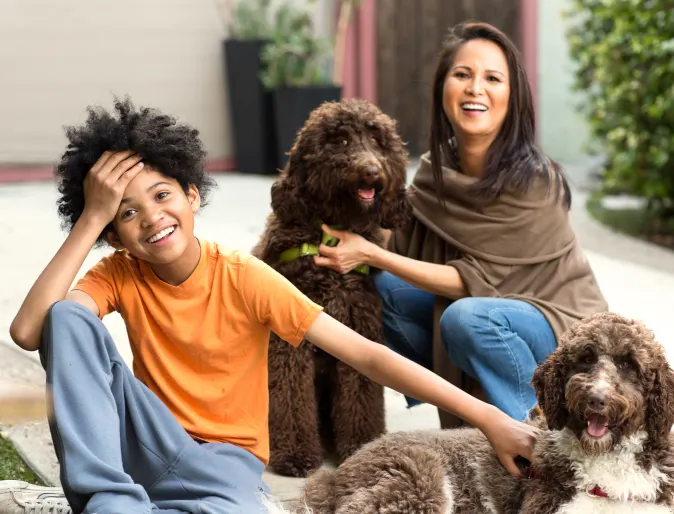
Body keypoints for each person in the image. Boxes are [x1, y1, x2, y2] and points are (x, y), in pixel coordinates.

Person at [0, 97, 538, 514]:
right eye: (125, 212)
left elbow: (369, 356)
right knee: (67, 316)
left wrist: (491, 418)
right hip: (143, 447)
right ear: (114, 234)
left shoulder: (243, 276)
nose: (150, 218)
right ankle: (111, 501)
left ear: (192, 195)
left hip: (223, 468)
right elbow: (30, 331)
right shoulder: (117, 272)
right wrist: (89, 220)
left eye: (162, 195)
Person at [314, 22, 608, 422]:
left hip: (562, 331)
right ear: (443, 89)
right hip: (489, 319)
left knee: (465, 317)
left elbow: (480, 280)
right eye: (462, 75)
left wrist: (371, 254)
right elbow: (397, 241)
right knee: (381, 290)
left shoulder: (536, 182)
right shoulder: (437, 171)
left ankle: (535, 434)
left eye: (492, 78)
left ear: (512, 96)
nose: (475, 89)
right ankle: (475, 408)